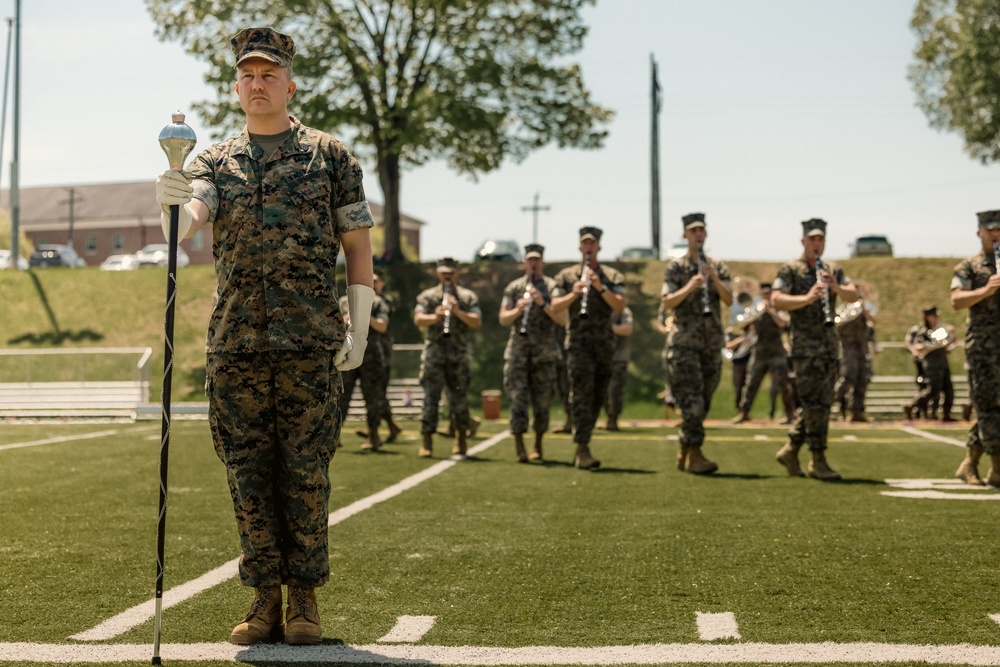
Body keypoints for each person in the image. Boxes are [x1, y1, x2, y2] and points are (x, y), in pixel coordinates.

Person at [154, 27, 375, 645]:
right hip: (237, 347)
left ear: (289, 83)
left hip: (310, 341)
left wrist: (357, 321)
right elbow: (194, 214)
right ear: (236, 86)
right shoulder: (213, 160)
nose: (258, 84)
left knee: (306, 472)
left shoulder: (329, 155)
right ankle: (263, 601)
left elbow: (357, 246)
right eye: (248, 75)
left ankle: (304, 599)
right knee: (247, 474)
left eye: (269, 74)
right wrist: (171, 200)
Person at [771, 218, 858, 480]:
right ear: (803, 241)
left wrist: (835, 287)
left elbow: (854, 295)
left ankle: (791, 448)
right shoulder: (790, 270)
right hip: (804, 347)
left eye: (821, 239)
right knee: (812, 402)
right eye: (813, 239)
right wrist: (807, 298)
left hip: (829, 345)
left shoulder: (834, 269)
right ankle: (817, 459)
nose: (817, 244)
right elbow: (777, 299)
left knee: (823, 401)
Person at [660, 212, 733, 474]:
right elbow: (667, 301)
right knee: (692, 402)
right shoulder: (676, 268)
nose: (698, 235)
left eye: (702, 230)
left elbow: (728, 299)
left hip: (711, 343)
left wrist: (713, 278)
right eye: (693, 231)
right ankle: (694, 454)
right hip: (684, 345)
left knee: (704, 399)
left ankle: (685, 449)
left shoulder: (718, 266)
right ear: (685, 235)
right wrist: (691, 286)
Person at [551, 227, 626, 469]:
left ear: (599, 247)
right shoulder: (566, 276)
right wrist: (574, 294)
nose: (589, 247)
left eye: (592, 243)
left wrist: (599, 287)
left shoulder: (612, 276)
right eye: (585, 243)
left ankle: (585, 438)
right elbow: (554, 306)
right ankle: (582, 447)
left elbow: (619, 306)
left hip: (604, 344)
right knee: (580, 394)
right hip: (578, 345)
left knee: (598, 395)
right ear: (580, 247)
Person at [498, 244, 567, 461]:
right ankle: (519, 446)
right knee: (517, 401)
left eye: (537, 259)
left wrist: (542, 303)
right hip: (518, 353)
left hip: (544, 354)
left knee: (542, 402)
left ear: (542, 262)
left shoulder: (553, 287)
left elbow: (562, 319)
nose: (534, 263)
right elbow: (503, 319)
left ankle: (537, 444)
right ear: (524, 262)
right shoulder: (514, 288)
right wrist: (518, 309)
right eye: (530, 260)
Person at [413, 257, 482, 458]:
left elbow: (476, 321)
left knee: (459, 399)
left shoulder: (467, 297)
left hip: (458, 356)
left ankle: (461, 439)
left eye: (450, 273)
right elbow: (418, 319)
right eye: (443, 273)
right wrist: (435, 316)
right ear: (438, 273)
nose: (447, 276)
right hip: (434, 355)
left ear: (456, 273)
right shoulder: (427, 297)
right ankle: (427, 440)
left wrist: (458, 311)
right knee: (430, 399)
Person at [950, 209, 1000, 487]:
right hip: (982, 346)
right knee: (987, 403)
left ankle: (969, 462)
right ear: (979, 232)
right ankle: (996, 467)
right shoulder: (968, 267)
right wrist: (986, 290)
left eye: (999, 230)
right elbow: (956, 301)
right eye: (990, 230)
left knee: (991, 405)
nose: (995, 235)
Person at [734, 283, 793, 424]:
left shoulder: (779, 309)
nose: (766, 297)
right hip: (760, 351)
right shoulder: (756, 310)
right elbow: (743, 325)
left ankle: (790, 415)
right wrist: (754, 312)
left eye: (768, 294)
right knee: (751, 383)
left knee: (783, 384)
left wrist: (770, 310)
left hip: (776, 352)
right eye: (763, 294)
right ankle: (744, 413)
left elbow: (783, 324)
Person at [337, 290, 389, 450]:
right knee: (341, 397)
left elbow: (382, 326)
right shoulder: (343, 301)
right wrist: (343, 321)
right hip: (347, 354)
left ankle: (374, 435)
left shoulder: (378, 301)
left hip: (371, 357)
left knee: (372, 398)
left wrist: (363, 319)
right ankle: (335, 435)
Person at [357, 268, 403, 443]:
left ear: (382, 283)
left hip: (382, 354)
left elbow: (381, 324)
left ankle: (385, 425)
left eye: (376, 281)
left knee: (378, 392)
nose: (374, 283)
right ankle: (391, 425)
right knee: (378, 393)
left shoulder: (385, 301)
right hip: (370, 353)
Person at [903, 305, 956, 422]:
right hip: (931, 362)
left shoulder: (940, 329)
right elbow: (918, 345)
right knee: (933, 389)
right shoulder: (921, 331)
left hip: (943, 360)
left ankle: (946, 414)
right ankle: (913, 405)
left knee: (949, 389)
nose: (935, 318)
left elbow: (948, 341)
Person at [833, 293, 878, 422]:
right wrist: (850, 315)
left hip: (862, 349)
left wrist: (863, 310)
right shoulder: (841, 309)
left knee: (861, 380)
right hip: (848, 349)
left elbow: (873, 321)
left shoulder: (863, 309)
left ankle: (857, 412)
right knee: (847, 377)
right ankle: (828, 402)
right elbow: (836, 324)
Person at [725, 290, 756, 417]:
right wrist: (740, 340)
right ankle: (740, 411)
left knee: (749, 386)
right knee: (738, 386)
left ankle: (745, 412)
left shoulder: (752, 330)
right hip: (738, 360)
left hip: (750, 358)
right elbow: (727, 346)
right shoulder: (732, 330)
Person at [604, 304, 634, 431]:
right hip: (600, 356)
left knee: (615, 390)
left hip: (618, 357)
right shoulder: (599, 308)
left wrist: (607, 328)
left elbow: (627, 329)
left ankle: (613, 419)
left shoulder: (624, 311)